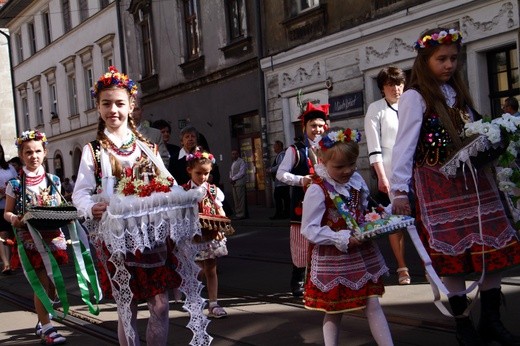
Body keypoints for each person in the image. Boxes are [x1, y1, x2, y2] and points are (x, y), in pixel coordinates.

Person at [391, 28, 520, 345]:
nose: (449, 65)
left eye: (453, 58)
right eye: (441, 59)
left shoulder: (458, 94)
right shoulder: (414, 97)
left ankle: (491, 321)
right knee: (454, 259)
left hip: (475, 186)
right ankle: (464, 327)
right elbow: (404, 147)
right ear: (425, 60)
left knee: (492, 253)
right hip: (438, 188)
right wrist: (398, 192)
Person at [72, 66, 180, 345]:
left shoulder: (146, 147)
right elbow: (80, 192)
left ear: (131, 106)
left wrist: (179, 198)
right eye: (106, 104)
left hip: (152, 237)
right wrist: (89, 207)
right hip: (117, 239)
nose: (113, 110)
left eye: (120, 103)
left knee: (160, 305)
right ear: (98, 107)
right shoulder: (93, 150)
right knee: (126, 308)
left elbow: (170, 183)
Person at [301, 128, 392, 346]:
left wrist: (380, 218)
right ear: (322, 162)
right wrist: (340, 238)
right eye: (339, 166)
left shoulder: (356, 181)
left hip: (361, 251)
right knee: (334, 309)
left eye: (351, 164)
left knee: (372, 303)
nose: (347, 171)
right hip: (334, 255)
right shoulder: (317, 189)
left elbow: (364, 208)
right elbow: (309, 229)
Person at [4, 130, 68, 345]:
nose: (34, 156)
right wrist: (15, 219)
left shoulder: (54, 179)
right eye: (28, 152)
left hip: (53, 238)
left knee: (52, 285)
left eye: (38, 151)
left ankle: (43, 320)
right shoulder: (15, 184)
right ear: (21, 155)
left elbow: (59, 205)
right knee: (40, 283)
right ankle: (48, 328)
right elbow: (7, 212)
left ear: (45, 152)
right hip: (30, 240)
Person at [364, 66, 410, 285]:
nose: (396, 89)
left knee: (421, 218)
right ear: (382, 88)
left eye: (399, 83)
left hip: (415, 170)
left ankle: (431, 263)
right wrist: (382, 177)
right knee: (397, 221)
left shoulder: (411, 105)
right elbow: (374, 149)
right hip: (391, 172)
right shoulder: (376, 109)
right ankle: (402, 267)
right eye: (391, 84)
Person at [276, 102, 328, 297]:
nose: (317, 129)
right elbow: (280, 174)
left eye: (320, 125)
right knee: (301, 241)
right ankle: (298, 278)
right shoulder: (295, 150)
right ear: (304, 127)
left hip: (326, 202)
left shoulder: (329, 146)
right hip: (302, 203)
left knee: (324, 240)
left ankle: (320, 277)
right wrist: (301, 180)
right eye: (313, 125)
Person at [183, 148, 228, 318]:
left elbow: (220, 210)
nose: (203, 177)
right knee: (195, 270)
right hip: (192, 237)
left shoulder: (214, 190)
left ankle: (214, 303)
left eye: (206, 174)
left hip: (210, 235)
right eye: (198, 173)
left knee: (211, 268)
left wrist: (222, 226)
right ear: (189, 171)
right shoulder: (183, 191)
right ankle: (194, 301)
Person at [132, 99, 170, 167]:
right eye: (130, 109)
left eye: (136, 109)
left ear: (142, 110)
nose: (132, 113)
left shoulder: (155, 134)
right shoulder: (116, 134)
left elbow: (164, 159)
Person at [0, 144, 18, 274]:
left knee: (14, 234)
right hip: (0, 205)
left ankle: (13, 261)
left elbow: (17, 182)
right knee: (2, 234)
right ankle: (6, 263)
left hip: (11, 204)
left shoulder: (9, 167)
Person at [268, 140, 290, 220]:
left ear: (279, 147)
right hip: (282, 181)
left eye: (275, 146)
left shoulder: (281, 155)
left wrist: (270, 170)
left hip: (281, 182)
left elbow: (280, 166)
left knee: (278, 198)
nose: (273, 147)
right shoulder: (280, 155)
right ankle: (285, 213)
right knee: (285, 198)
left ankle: (280, 214)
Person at [229, 149, 247, 220]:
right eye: (233, 154)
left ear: (238, 154)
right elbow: (231, 172)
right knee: (236, 200)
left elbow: (241, 173)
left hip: (239, 183)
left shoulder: (241, 161)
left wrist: (233, 178)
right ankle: (238, 213)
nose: (234, 155)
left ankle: (241, 214)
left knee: (240, 199)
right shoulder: (233, 163)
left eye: (235, 154)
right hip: (234, 184)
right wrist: (230, 178)